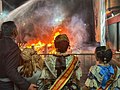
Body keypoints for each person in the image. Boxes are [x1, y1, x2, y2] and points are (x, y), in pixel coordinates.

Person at [0, 21, 38, 90]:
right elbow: (11, 71)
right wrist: (26, 85)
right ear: (14, 31)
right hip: (6, 85)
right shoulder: (12, 47)